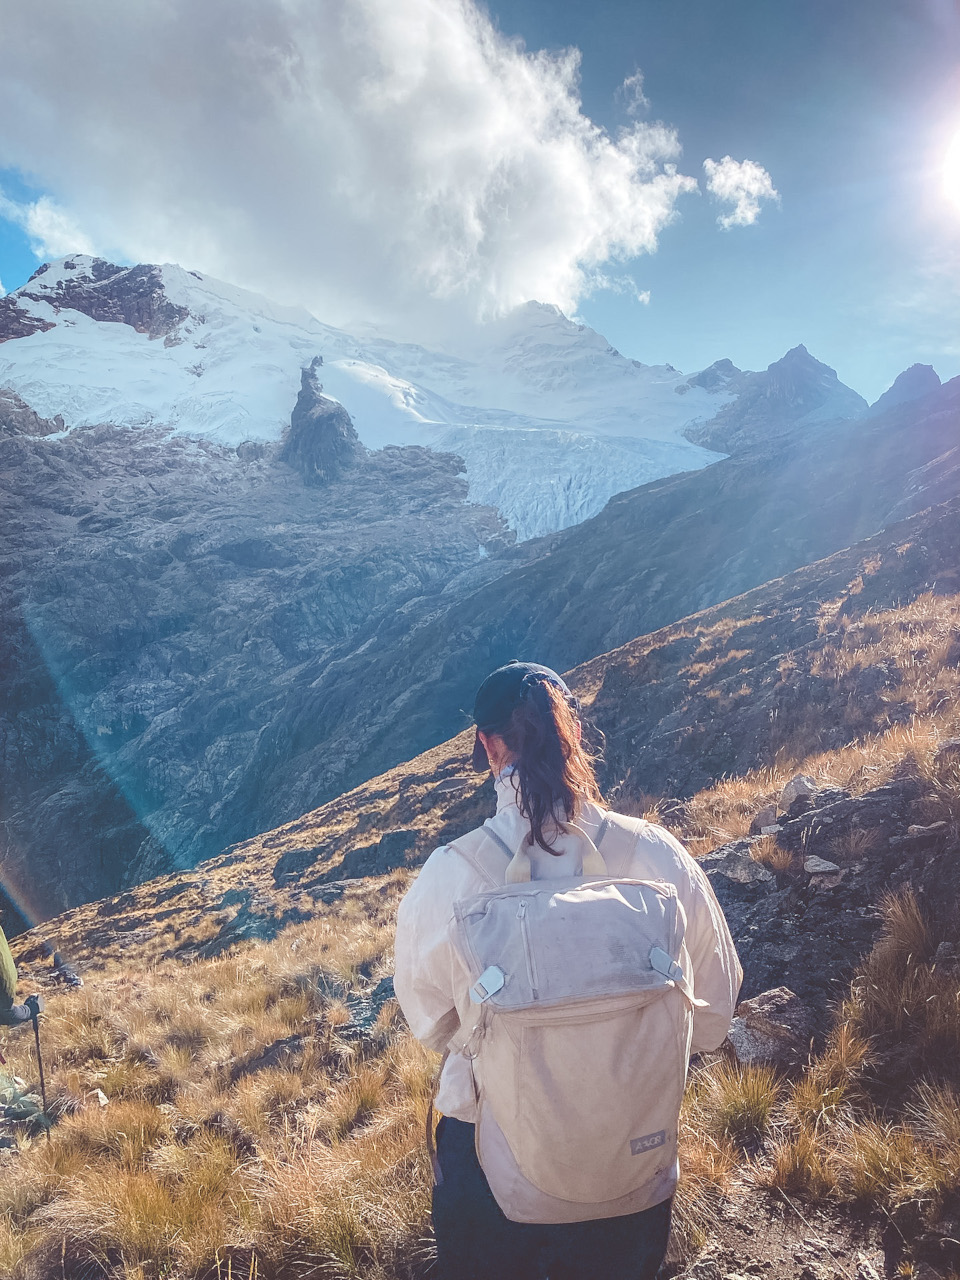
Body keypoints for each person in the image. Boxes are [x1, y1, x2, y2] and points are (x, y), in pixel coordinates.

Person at [394, 660, 742, 1280]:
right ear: (574, 732)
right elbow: (714, 1016)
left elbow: (432, 1023)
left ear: (487, 745)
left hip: (489, 1170)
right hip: (631, 1159)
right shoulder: (657, 855)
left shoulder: (453, 873)